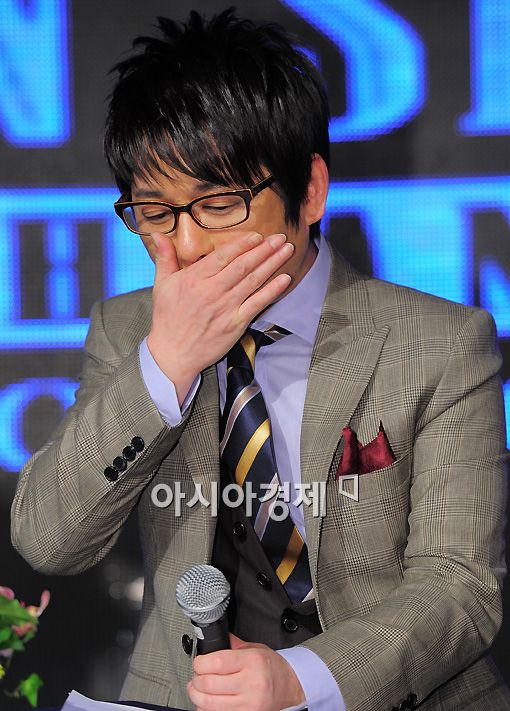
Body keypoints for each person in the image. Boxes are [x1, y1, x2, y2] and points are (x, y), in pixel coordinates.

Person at [10, 8, 510, 711]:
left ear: (310, 190)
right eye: (154, 212)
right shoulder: (130, 331)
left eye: (218, 203)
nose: (186, 247)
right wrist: (165, 364)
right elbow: (48, 540)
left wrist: (302, 677)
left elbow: (459, 585)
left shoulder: (439, 341)